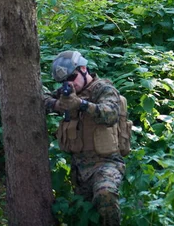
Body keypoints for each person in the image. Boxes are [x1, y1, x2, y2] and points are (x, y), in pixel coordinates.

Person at [42, 51, 125, 226]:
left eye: (72, 77)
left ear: (83, 69)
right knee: (82, 216)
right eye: (64, 81)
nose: (69, 84)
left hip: (106, 162)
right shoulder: (69, 91)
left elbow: (111, 114)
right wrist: (57, 104)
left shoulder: (103, 89)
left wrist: (81, 105)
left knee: (105, 194)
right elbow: (41, 99)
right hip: (79, 170)